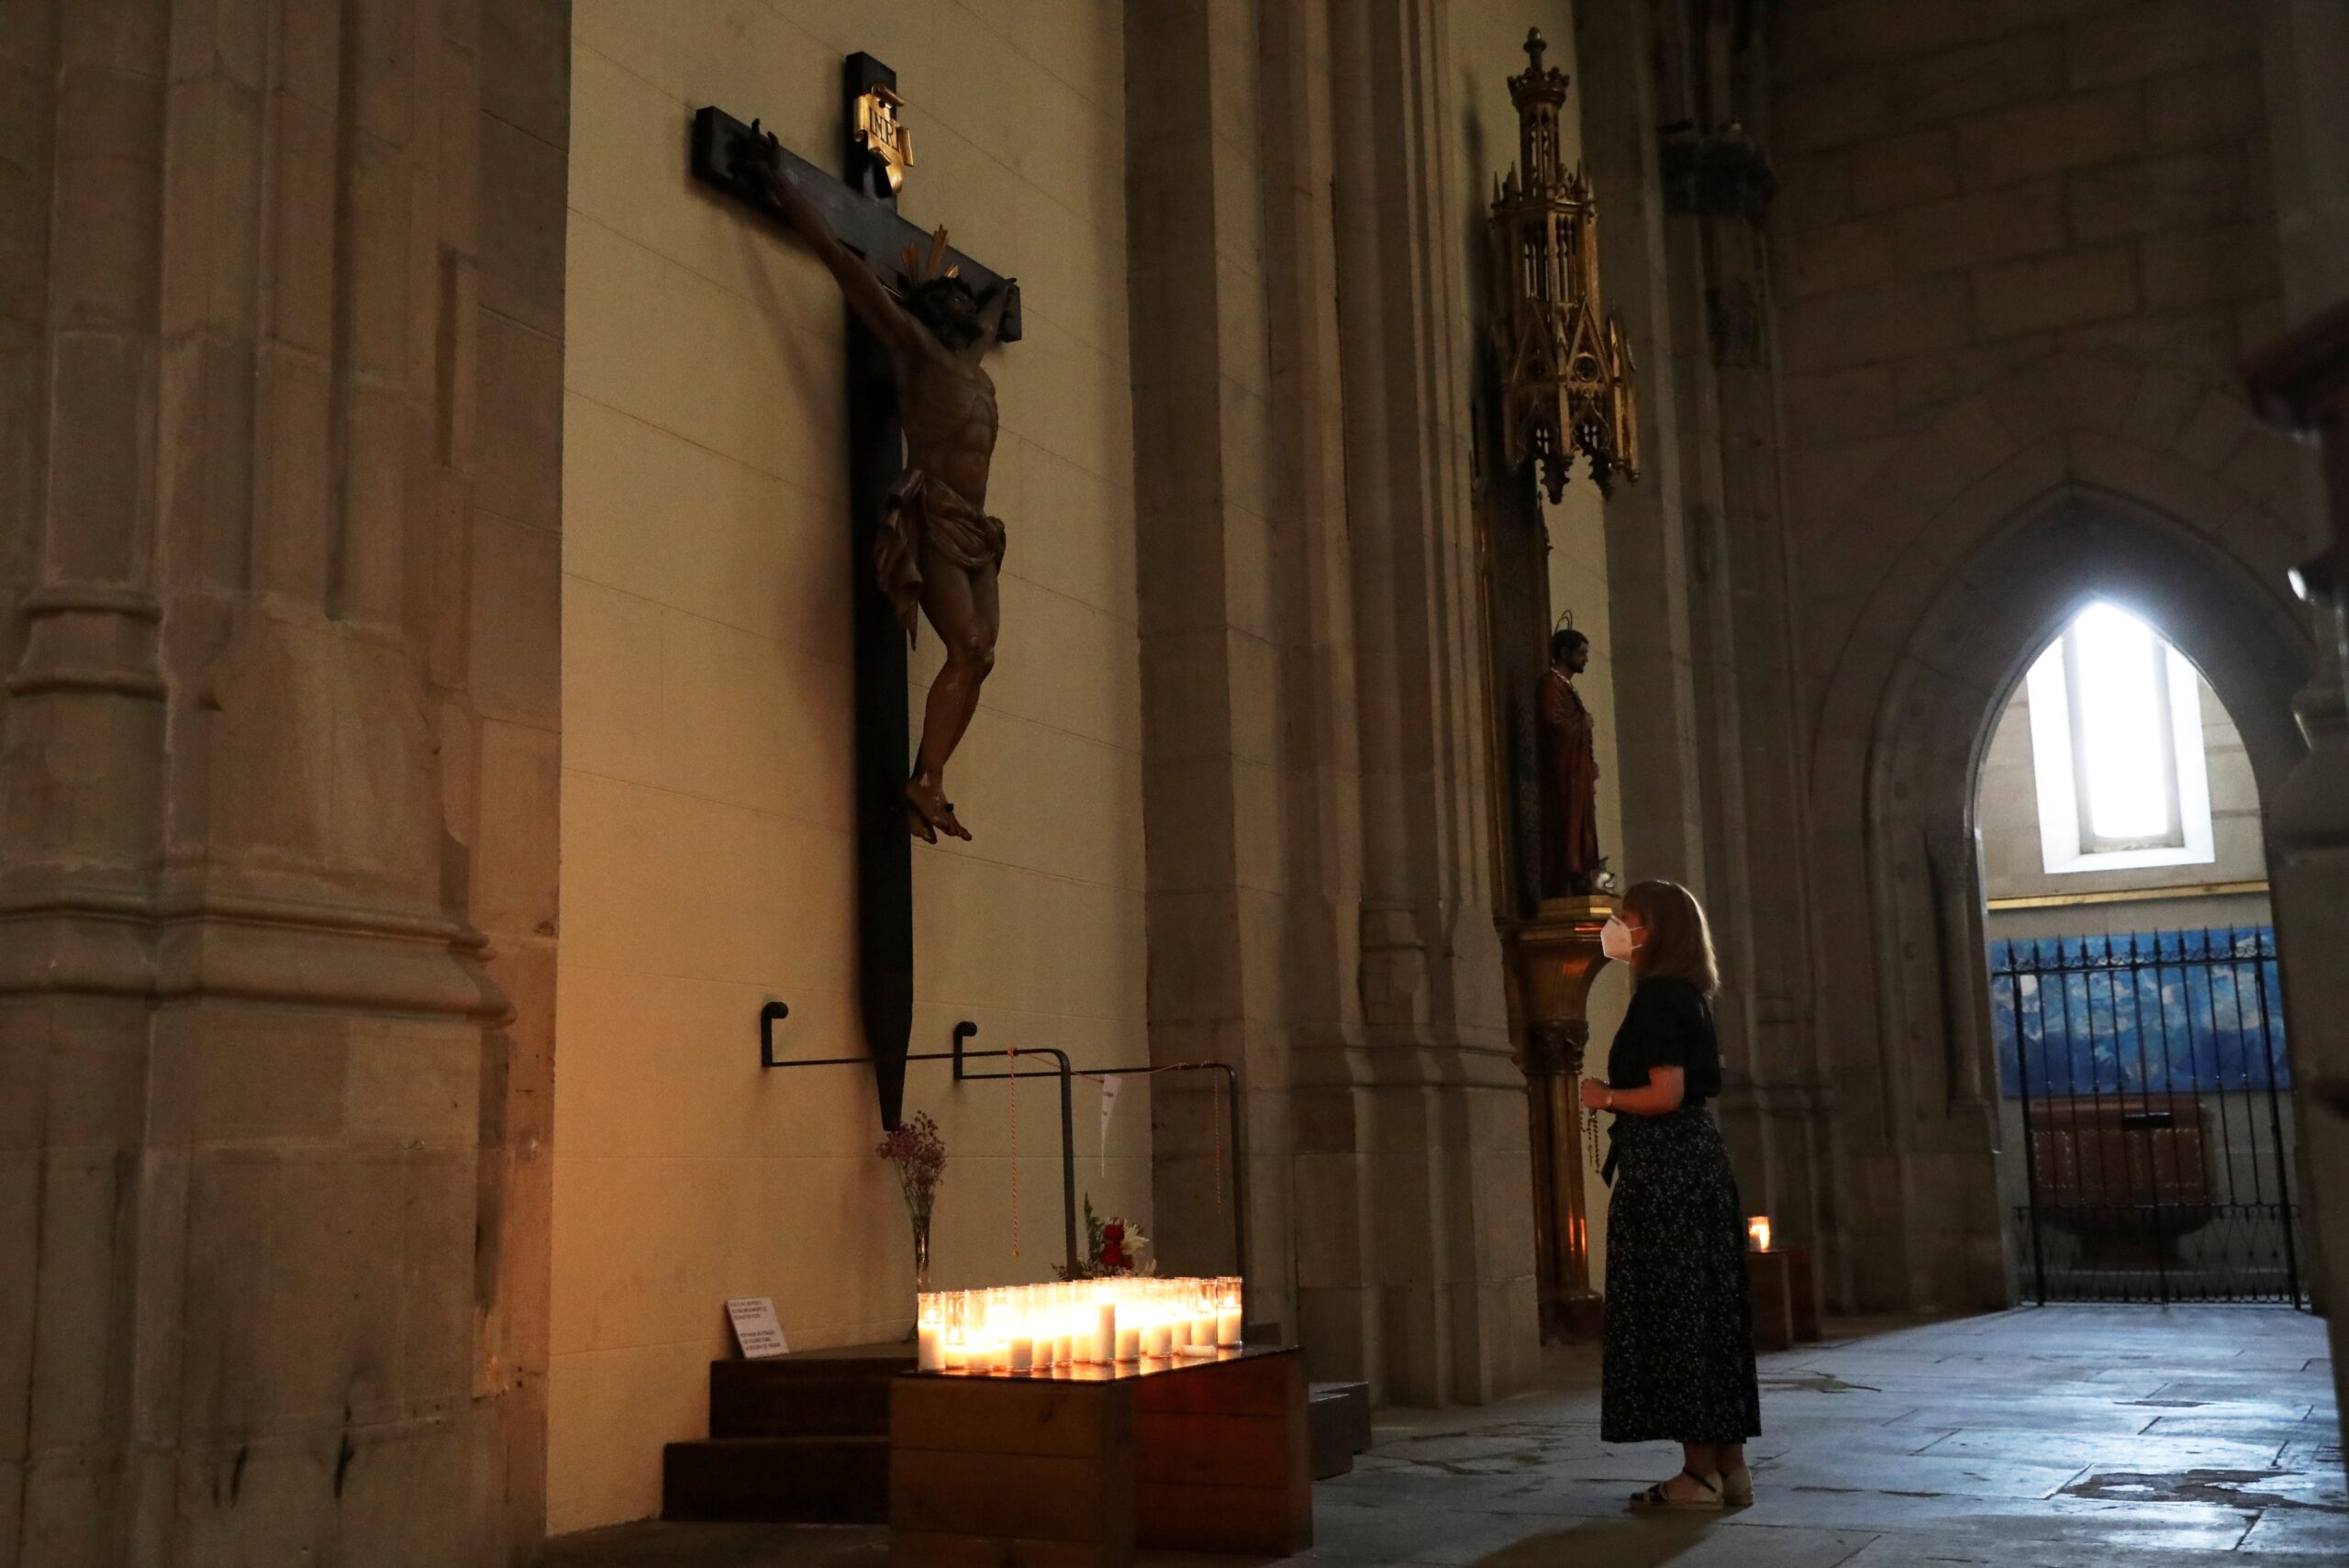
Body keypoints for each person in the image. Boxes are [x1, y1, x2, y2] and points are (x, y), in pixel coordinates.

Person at [746, 133, 1015, 843]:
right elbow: (841, 261)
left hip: (978, 530)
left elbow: (992, 312)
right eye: (950, 292)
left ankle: (931, 778)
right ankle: (924, 781)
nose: (963, 299)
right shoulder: (913, 346)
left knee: (981, 654)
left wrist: (1004, 291)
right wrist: (783, 186)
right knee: (965, 647)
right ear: (930, 308)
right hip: (932, 512)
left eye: (966, 297)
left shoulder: (972, 360)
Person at [1578, 880, 1761, 1509]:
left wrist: (1603, 1096)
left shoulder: (1658, 999)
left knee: (1678, 1314)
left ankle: (1697, 1474)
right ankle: (1731, 1467)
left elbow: (1664, 1092)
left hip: (1666, 1169)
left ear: (1654, 929)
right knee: (1708, 1313)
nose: (1615, 926)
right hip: (1696, 1163)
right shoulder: (1688, 994)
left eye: (1624, 917)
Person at [1537, 628, 1603, 896]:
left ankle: (1584, 876)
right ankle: (1569, 875)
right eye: (1582, 653)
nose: (1586, 659)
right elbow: (1554, 723)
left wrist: (1589, 766)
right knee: (1567, 826)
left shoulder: (1565, 686)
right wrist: (1582, 724)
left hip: (1576, 773)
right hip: (1563, 776)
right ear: (1564, 653)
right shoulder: (1551, 685)